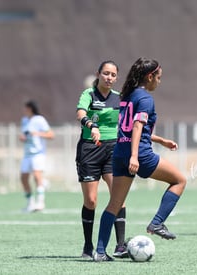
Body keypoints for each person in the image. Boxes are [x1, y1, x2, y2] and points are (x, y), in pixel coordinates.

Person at [93, 57, 187, 262]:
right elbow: (136, 126)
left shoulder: (127, 95)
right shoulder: (145, 98)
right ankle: (157, 223)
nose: (159, 82)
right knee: (180, 180)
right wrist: (135, 156)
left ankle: (99, 252)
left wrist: (161, 140)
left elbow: (129, 128)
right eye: (158, 78)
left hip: (119, 153)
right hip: (140, 155)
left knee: (114, 205)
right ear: (149, 76)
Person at [76, 60, 128, 259]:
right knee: (91, 201)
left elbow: (129, 124)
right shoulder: (88, 95)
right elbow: (80, 112)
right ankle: (88, 246)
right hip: (90, 149)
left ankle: (120, 245)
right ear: (98, 74)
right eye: (106, 73)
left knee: (119, 196)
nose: (109, 78)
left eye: (113, 75)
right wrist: (91, 125)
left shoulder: (119, 98)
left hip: (113, 150)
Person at [19, 100, 54, 212]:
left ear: (30, 108)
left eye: (25, 108)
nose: (24, 110)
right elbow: (23, 134)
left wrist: (38, 134)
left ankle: (40, 202)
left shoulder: (39, 120)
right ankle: (30, 203)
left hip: (38, 153)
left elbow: (51, 135)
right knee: (23, 178)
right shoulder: (24, 120)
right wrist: (22, 138)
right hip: (27, 154)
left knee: (36, 176)